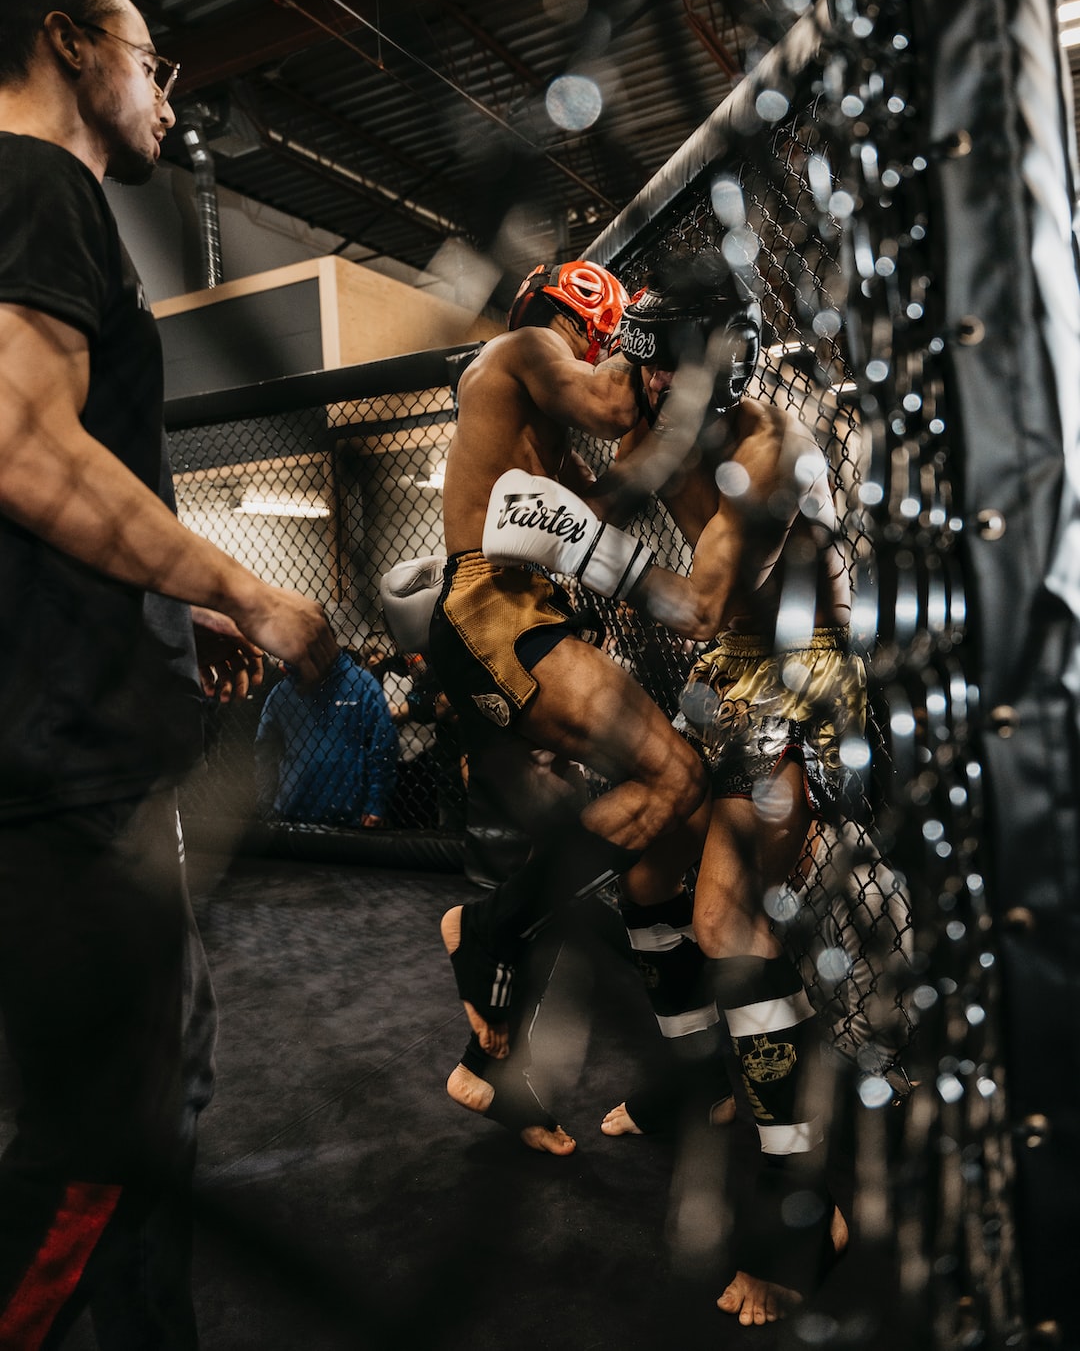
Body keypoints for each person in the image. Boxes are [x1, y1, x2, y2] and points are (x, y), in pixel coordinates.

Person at [0, 0, 338, 1348]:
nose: (165, 93)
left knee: (163, 1089)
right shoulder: (36, 182)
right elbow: (20, 448)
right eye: (151, 57)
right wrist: (252, 594)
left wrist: (165, 601)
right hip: (58, 761)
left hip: (82, 738)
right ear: (74, 43)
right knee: (105, 1135)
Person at [483, 251, 866, 1323]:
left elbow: (699, 601)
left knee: (725, 924)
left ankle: (806, 1207)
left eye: (665, 374)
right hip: (721, 677)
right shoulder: (659, 409)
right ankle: (693, 1089)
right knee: (647, 867)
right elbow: (587, 451)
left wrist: (580, 542)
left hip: (800, 672)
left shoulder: (772, 452)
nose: (647, 392)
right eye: (643, 373)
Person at [427, 259, 707, 1154]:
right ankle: (488, 928)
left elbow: (597, 499)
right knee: (676, 777)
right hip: (500, 615)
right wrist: (674, 342)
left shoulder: (531, 422)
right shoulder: (526, 347)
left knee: (651, 826)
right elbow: (614, 405)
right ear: (586, 322)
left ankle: (496, 1067)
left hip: (513, 620)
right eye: (613, 337)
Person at [255, 650, 398, 827]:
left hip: (351, 813)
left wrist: (376, 804)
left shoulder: (361, 683)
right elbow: (264, 750)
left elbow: (383, 745)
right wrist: (266, 803)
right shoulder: (282, 692)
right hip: (292, 812)